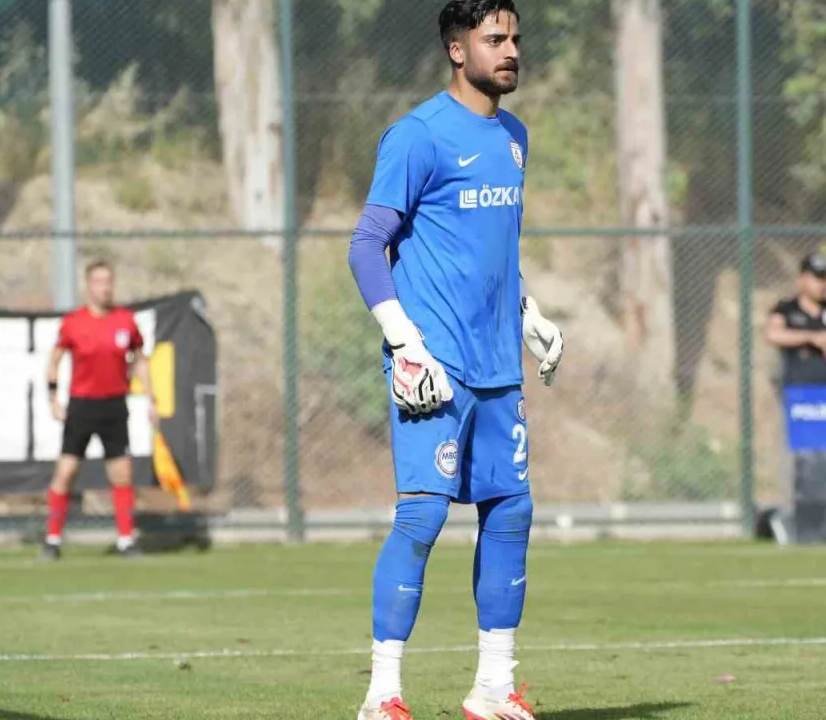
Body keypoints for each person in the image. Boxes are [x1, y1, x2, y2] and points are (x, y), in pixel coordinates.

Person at [346, 2, 563, 719]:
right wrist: (404, 342)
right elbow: (366, 246)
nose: (511, 50)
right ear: (456, 48)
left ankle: (493, 688)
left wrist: (527, 313)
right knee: (422, 517)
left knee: (512, 512)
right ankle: (382, 696)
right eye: (494, 39)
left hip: (499, 364)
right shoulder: (418, 136)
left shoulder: (515, 137)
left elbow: (490, 251)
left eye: (515, 38)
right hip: (434, 364)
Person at [42, 260, 156, 560]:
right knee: (66, 471)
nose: (105, 288)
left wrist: (151, 399)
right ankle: (52, 540)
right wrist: (53, 398)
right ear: (89, 285)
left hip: (114, 405)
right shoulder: (74, 323)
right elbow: (54, 360)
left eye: (109, 281)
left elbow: (140, 360)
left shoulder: (125, 321)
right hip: (82, 405)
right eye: (99, 282)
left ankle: (126, 540)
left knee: (122, 474)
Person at [764, 253, 826, 544]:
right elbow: (774, 334)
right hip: (799, 395)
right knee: (805, 460)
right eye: (815, 278)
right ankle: (800, 522)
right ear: (802, 279)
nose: (821, 284)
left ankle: (816, 525)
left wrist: (825, 338)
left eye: (824, 278)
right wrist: (812, 337)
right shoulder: (786, 309)